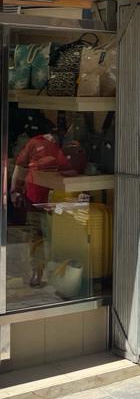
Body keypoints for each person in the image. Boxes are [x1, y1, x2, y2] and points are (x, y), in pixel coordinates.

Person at [11, 117, 76, 287]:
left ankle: (46, 272)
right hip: (38, 198)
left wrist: (14, 190)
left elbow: (20, 166)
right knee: (38, 236)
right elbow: (20, 166)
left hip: (53, 200)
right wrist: (15, 189)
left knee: (45, 237)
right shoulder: (36, 143)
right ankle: (38, 271)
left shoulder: (66, 147)